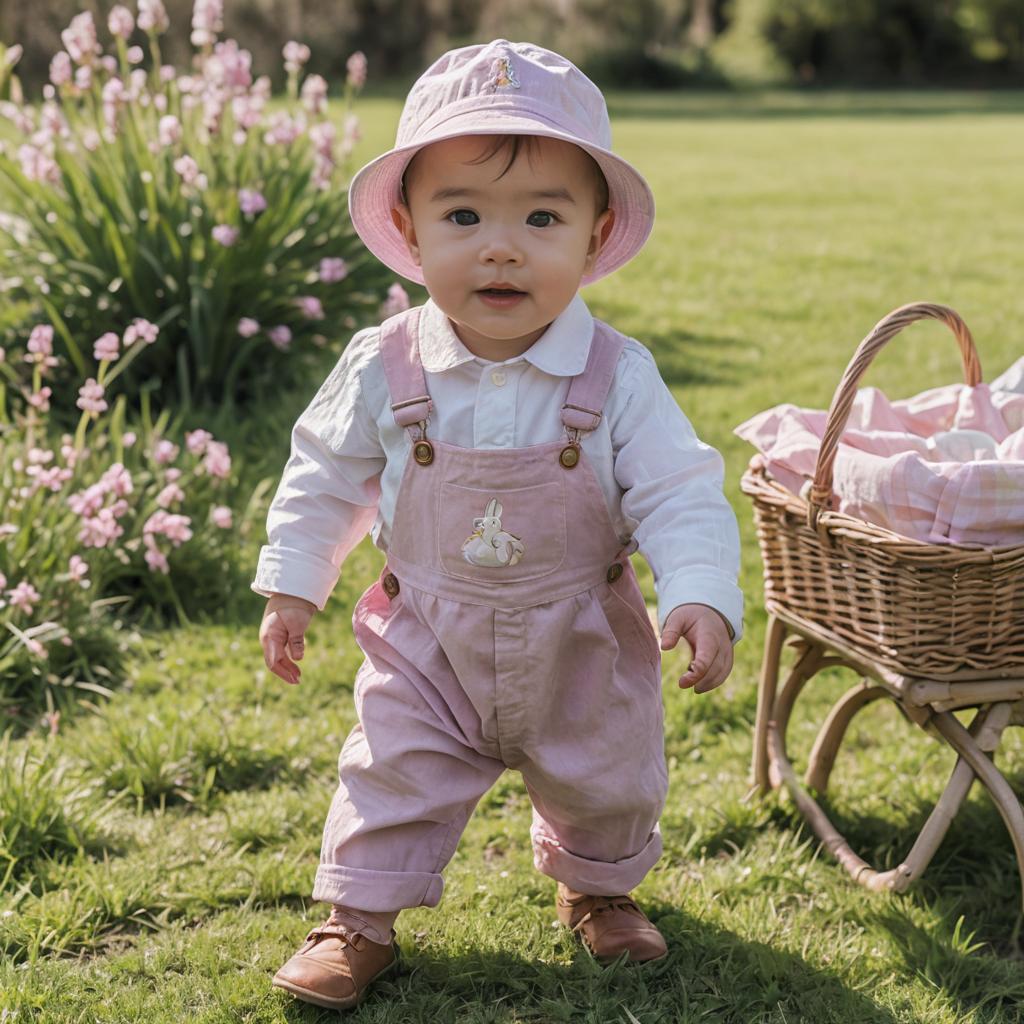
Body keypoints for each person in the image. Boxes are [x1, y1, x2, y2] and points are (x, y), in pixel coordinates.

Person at [253, 38, 743, 1012]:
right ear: (410, 227)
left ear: (595, 237)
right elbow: (324, 475)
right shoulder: (386, 362)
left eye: (542, 217)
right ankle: (358, 918)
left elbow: (679, 489)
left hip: (581, 633)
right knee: (390, 768)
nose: (500, 246)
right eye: (463, 215)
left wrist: (698, 592)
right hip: (427, 633)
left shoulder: (617, 375)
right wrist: (294, 581)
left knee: (606, 773)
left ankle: (597, 886)